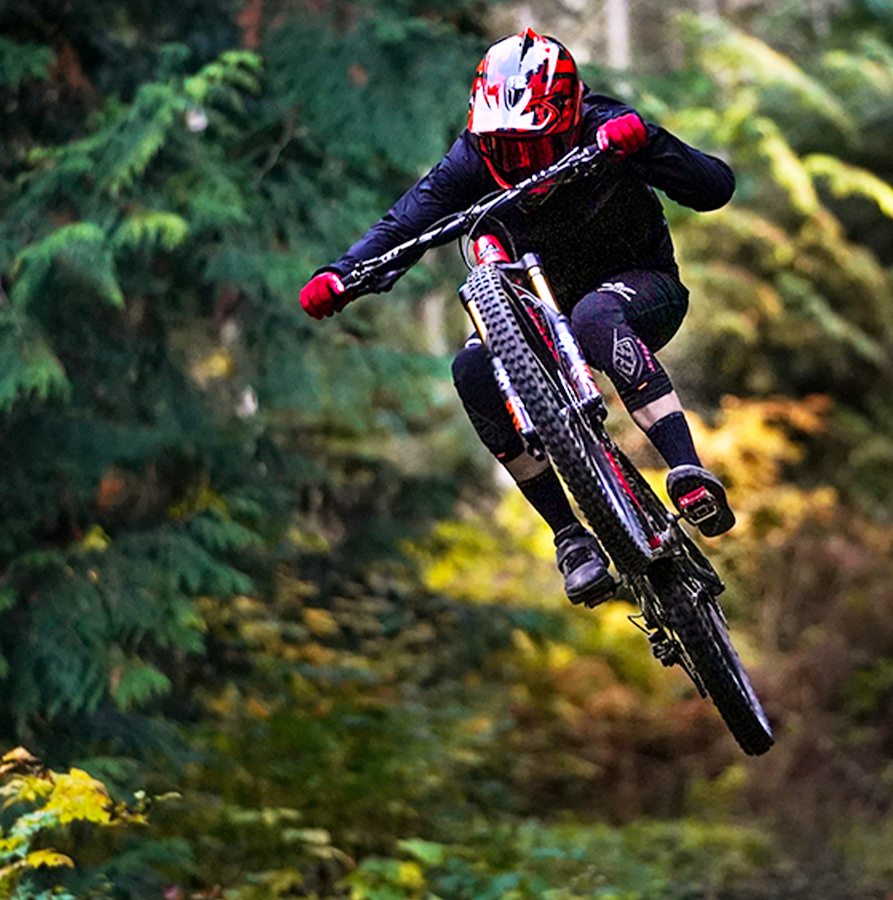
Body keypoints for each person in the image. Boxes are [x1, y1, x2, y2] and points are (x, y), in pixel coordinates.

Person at [298, 29, 736, 606]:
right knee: (473, 369)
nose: (518, 163)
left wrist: (645, 143)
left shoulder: (603, 127)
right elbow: (403, 224)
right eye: (502, 149)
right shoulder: (470, 160)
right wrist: (342, 276)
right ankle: (570, 537)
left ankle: (686, 471)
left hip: (639, 287)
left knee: (595, 316)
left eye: (531, 147)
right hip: (537, 313)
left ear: (566, 120)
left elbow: (714, 187)